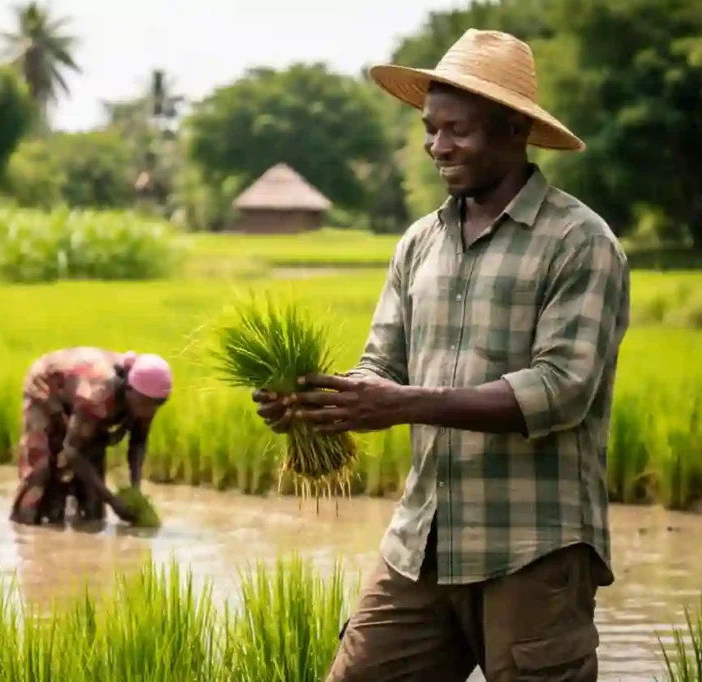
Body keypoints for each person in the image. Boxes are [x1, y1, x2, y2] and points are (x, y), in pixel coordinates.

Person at [253, 29, 631, 682]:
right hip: (420, 542)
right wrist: (320, 401)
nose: (437, 146)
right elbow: (382, 365)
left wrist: (403, 405)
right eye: (431, 129)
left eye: (457, 130)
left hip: (532, 549)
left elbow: (562, 387)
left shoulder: (578, 242)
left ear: (514, 129)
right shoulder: (419, 243)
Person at [9, 347, 172, 526]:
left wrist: (135, 489)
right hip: (46, 387)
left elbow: (138, 442)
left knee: (92, 497)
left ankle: (84, 524)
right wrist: (112, 501)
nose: (149, 411)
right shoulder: (98, 394)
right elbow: (73, 453)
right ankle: (25, 525)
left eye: (157, 404)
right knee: (42, 467)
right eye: (144, 403)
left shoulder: (146, 399)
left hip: (80, 397)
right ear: (128, 389)